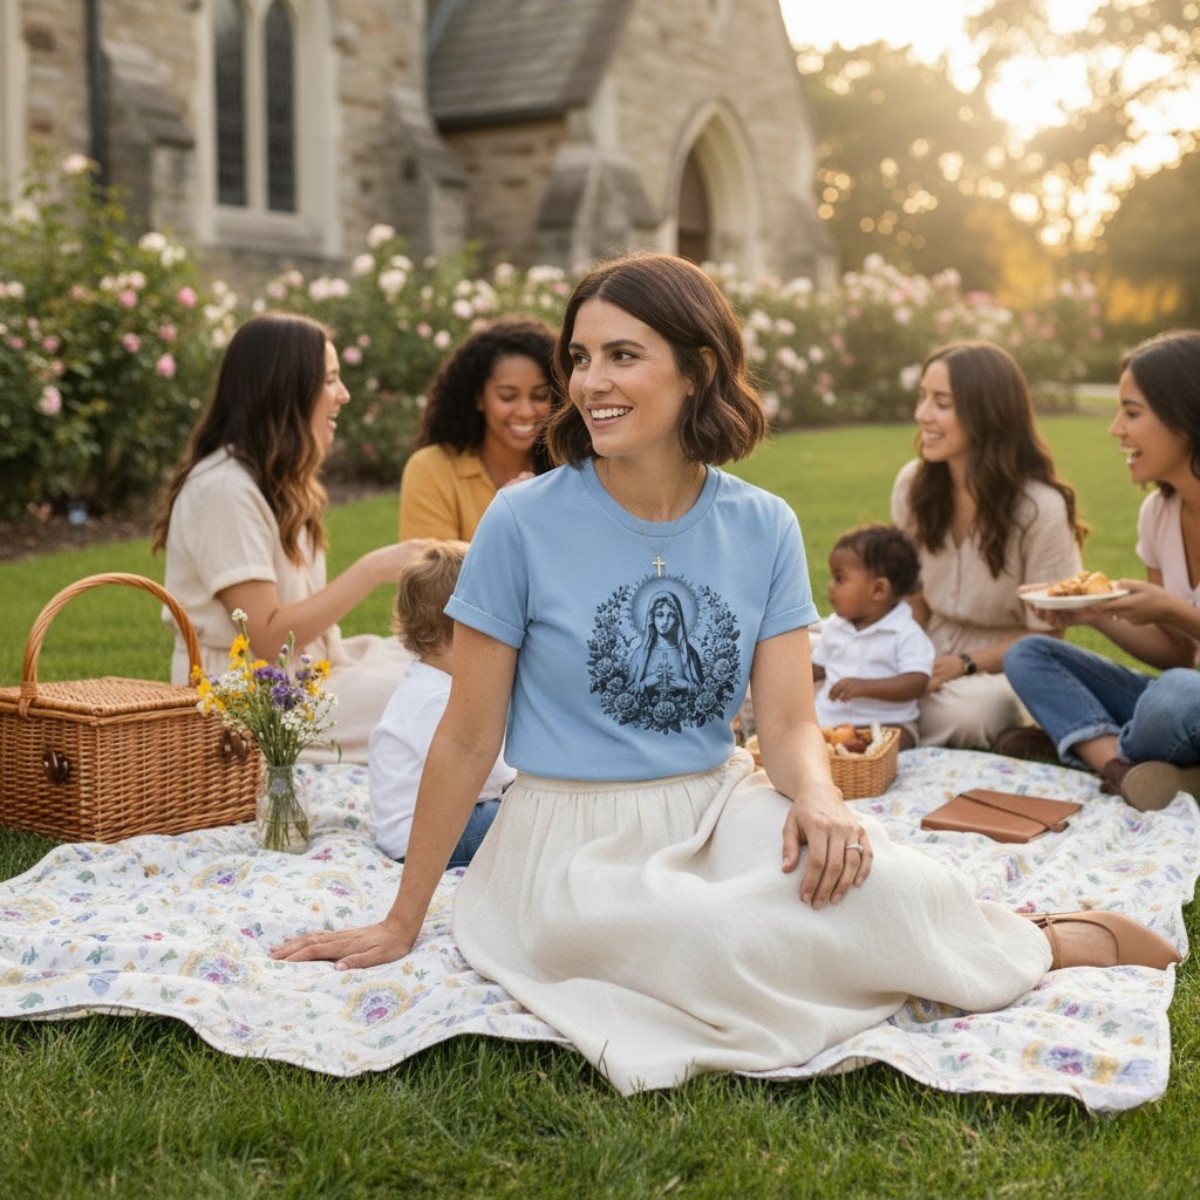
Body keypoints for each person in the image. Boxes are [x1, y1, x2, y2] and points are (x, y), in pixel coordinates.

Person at [272, 253, 1178, 1096]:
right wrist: (403, 917)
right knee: (712, 938)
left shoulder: (764, 525)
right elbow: (468, 736)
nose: (590, 382)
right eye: (580, 357)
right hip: (567, 839)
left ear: (697, 370)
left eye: (623, 355)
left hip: (717, 801)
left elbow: (785, 725)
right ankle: (978, 944)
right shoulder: (522, 522)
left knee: (878, 880)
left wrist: (820, 799)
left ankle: (1044, 939)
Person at [152, 312, 428, 764]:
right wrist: (373, 570)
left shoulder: (275, 480)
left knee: (425, 663)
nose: (344, 394)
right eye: (331, 380)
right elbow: (264, 638)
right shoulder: (223, 489)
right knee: (436, 695)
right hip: (251, 700)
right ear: (286, 390)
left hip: (306, 674)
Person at [999, 330, 1200, 811]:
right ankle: (1125, 767)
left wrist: (1178, 612)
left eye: (1132, 413)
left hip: (1187, 703)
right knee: (1028, 654)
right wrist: (1093, 614)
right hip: (1180, 702)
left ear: (1186, 417)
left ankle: (1087, 743)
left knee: (1176, 696)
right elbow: (1175, 654)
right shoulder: (1158, 513)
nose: (1116, 429)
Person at [890, 340, 1087, 748]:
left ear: (987, 413)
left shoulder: (1041, 509)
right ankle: (886, 713)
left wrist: (962, 665)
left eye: (941, 403)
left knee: (974, 713)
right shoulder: (913, 485)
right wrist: (896, 651)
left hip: (1007, 663)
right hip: (928, 637)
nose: (921, 414)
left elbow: (1046, 638)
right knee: (809, 649)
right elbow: (913, 597)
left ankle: (887, 719)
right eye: (923, 397)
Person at [369, 540, 516, 866]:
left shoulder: (433, 680)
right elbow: (487, 774)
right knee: (527, 818)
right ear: (454, 632)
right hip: (422, 837)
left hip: (442, 821)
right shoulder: (434, 700)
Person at [398, 316, 558, 540]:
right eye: (507, 397)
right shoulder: (432, 469)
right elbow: (434, 572)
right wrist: (505, 516)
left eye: (540, 396)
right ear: (479, 398)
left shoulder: (569, 468)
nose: (525, 411)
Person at [812, 523, 935, 750]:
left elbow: (917, 683)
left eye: (839, 579)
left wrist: (865, 687)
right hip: (831, 720)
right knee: (803, 737)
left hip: (887, 722)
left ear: (878, 590)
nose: (830, 587)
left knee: (896, 741)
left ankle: (867, 760)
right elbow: (818, 667)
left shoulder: (905, 632)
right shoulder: (835, 628)